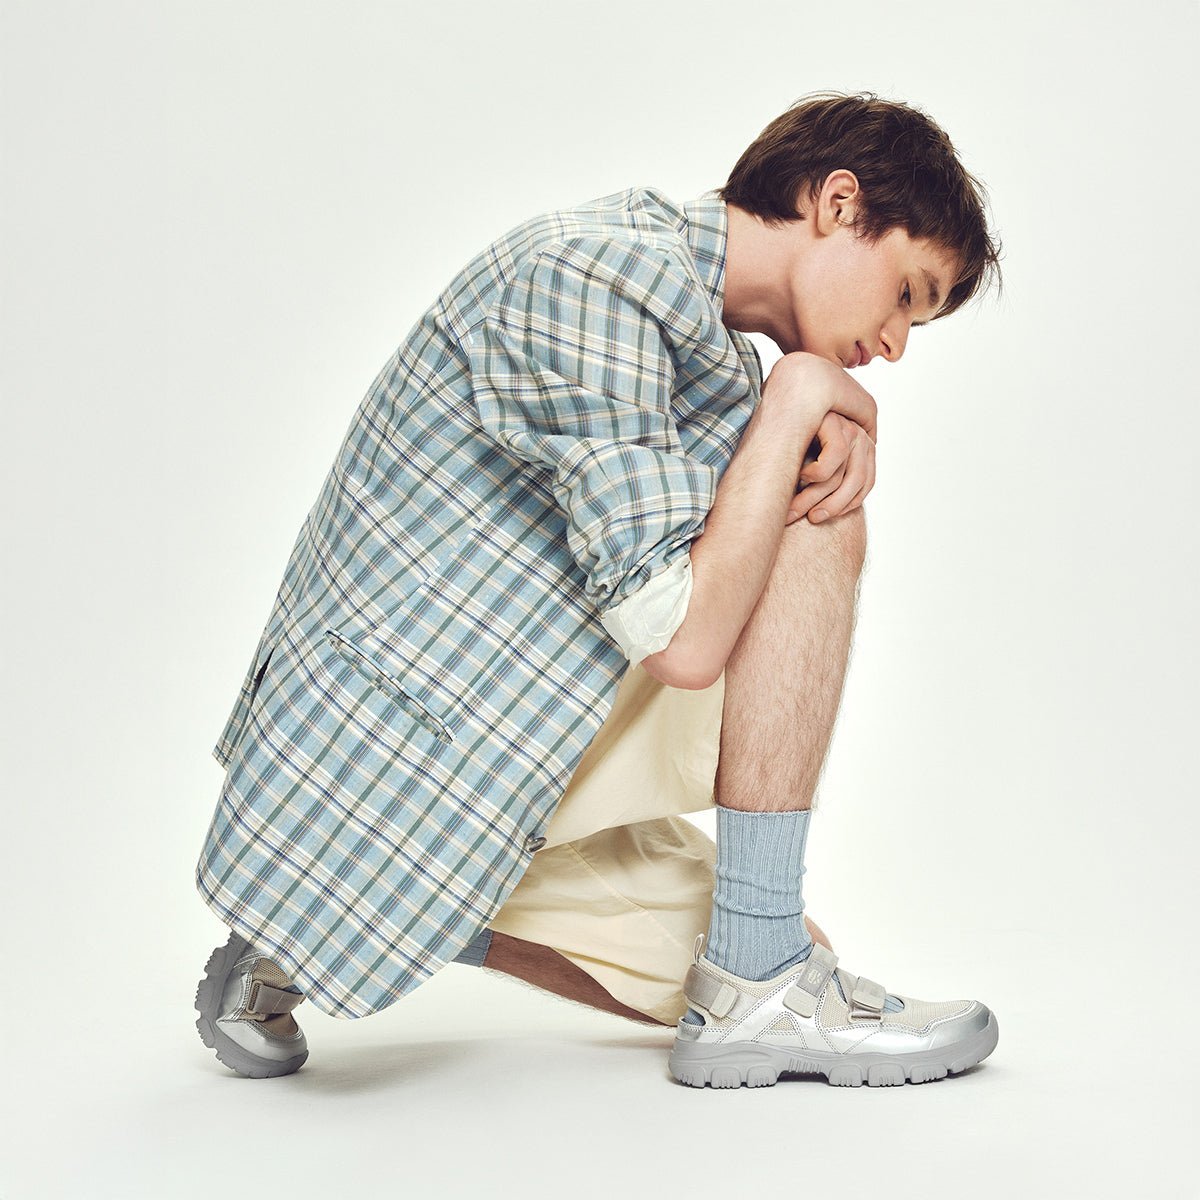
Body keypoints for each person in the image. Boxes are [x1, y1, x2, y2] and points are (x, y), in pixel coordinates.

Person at [192, 90, 1003, 1089]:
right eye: (907, 293)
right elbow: (682, 641)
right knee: (815, 522)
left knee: (783, 939)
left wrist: (798, 414)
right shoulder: (593, 276)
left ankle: (317, 921)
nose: (896, 345)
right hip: (394, 760)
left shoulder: (714, 354)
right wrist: (800, 396)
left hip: (516, 739)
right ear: (839, 204)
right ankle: (341, 886)